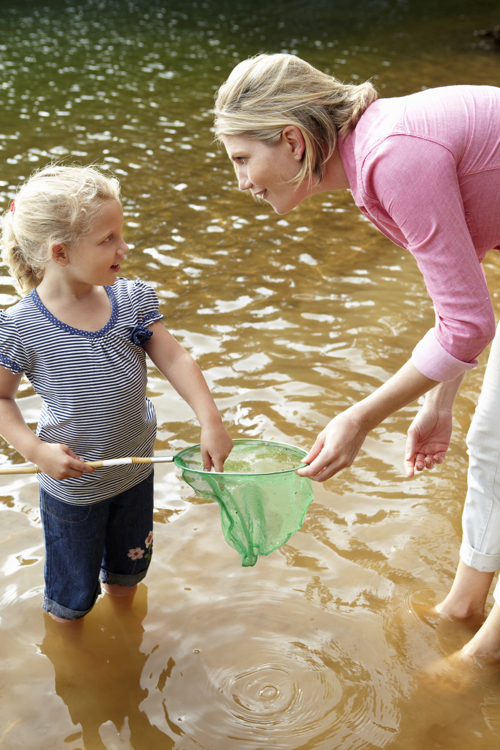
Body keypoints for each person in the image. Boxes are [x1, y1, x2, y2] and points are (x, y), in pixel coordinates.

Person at [214, 53, 500, 667]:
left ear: (292, 140)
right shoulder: (373, 162)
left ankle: (485, 658)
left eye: (243, 158)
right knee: (492, 439)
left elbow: (470, 324)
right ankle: (464, 610)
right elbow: (462, 293)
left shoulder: (392, 157)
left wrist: (360, 418)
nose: (241, 181)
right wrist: (438, 402)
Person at [0, 165, 233, 623]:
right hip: (73, 489)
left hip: (134, 474)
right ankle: (77, 668)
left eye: (120, 234)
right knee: (71, 602)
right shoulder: (22, 326)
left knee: (128, 575)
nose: (124, 248)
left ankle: (128, 638)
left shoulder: (130, 299)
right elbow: (1, 400)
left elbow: (177, 359)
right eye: (108, 239)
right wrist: (35, 451)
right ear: (60, 252)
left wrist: (211, 420)